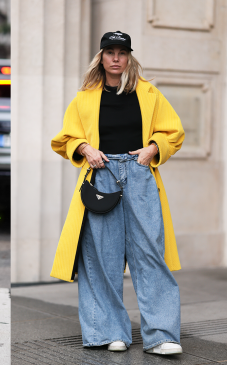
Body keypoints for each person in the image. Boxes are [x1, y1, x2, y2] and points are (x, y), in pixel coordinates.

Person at [51, 31, 185, 355]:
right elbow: (65, 138)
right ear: (101, 57)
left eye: (121, 52)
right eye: (109, 51)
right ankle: (109, 331)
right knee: (101, 257)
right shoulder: (84, 98)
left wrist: (154, 148)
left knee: (149, 254)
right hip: (101, 175)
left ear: (129, 57)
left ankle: (163, 336)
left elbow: (174, 132)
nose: (115, 58)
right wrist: (85, 147)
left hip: (139, 173)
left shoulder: (149, 93)